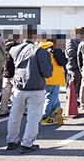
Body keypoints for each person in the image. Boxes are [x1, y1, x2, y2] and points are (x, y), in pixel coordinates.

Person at [6, 25, 53, 153]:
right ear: (35, 36)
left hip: (18, 87)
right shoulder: (40, 51)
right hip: (35, 88)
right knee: (33, 118)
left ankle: (12, 141)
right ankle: (27, 143)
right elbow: (47, 72)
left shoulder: (14, 49)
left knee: (15, 116)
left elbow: (9, 68)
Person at [38, 36, 66, 125]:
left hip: (41, 76)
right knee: (51, 95)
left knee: (50, 94)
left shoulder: (38, 47)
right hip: (54, 75)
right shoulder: (55, 48)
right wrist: (66, 60)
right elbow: (61, 61)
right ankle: (45, 116)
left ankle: (56, 108)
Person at [0, 35, 20, 117]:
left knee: (5, 92)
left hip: (5, 72)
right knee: (16, 92)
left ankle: (3, 110)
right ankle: (16, 111)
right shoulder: (18, 48)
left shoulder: (4, 47)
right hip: (15, 72)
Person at [65, 27, 83, 100]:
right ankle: (70, 99)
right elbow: (71, 52)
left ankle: (74, 100)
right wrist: (81, 54)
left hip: (78, 66)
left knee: (77, 84)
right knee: (73, 83)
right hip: (73, 65)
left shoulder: (79, 41)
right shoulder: (70, 40)